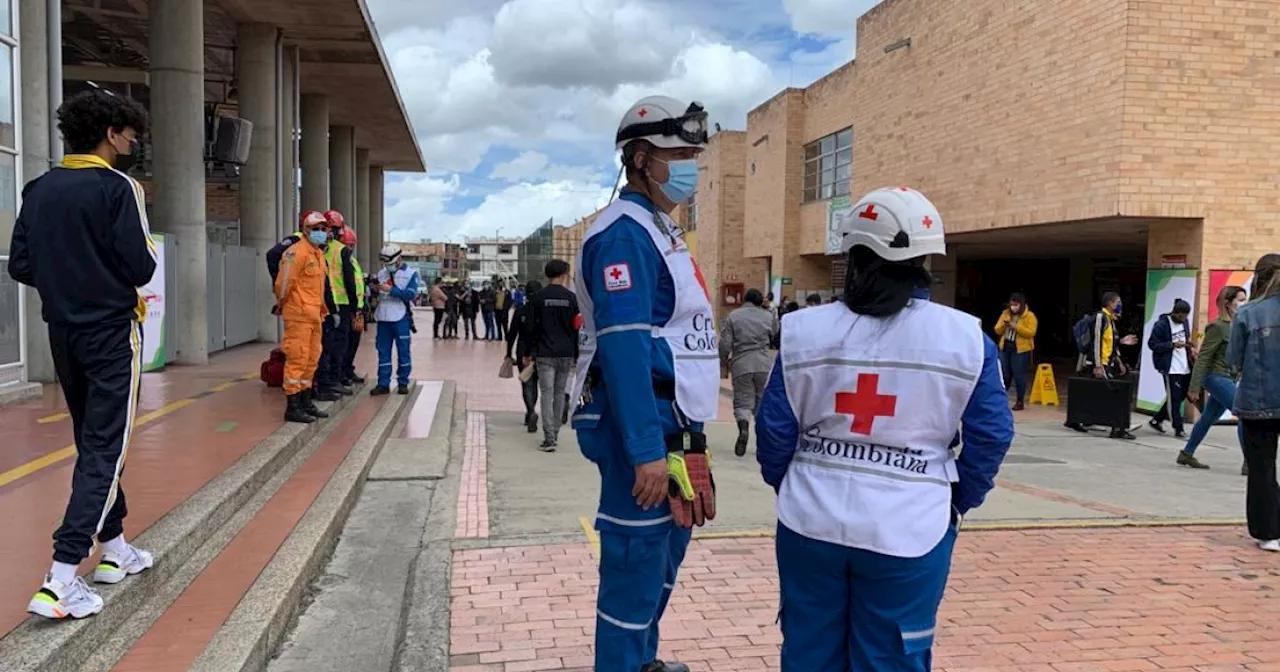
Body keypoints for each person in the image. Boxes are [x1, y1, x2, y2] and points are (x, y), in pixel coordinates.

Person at [756, 186, 1014, 671]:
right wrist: (955, 499)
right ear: (926, 261)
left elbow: (774, 433)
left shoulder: (802, 331)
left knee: (809, 652)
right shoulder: (965, 339)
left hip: (809, 523)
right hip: (911, 530)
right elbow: (992, 435)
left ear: (852, 256)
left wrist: (793, 484)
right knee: (892, 658)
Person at [569, 95, 719, 672]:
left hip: (675, 420)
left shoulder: (660, 230)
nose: (689, 166)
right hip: (642, 424)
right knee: (634, 563)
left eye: (693, 154)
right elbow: (625, 348)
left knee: (664, 552)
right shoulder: (624, 235)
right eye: (676, 153)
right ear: (638, 158)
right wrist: (645, 451)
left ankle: (642, 660)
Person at [8, 88, 158, 620]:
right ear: (113, 133)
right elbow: (141, 267)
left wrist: (68, 280)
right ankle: (61, 576)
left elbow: (20, 265)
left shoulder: (38, 187)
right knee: (106, 448)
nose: (132, 144)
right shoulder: (119, 187)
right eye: (131, 135)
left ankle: (114, 549)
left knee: (92, 442)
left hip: (63, 335)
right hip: (112, 333)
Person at [1227, 253, 1280, 552]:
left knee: (1261, 468)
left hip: (1258, 401)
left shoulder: (1248, 313)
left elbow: (1233, 359)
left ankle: (1268, 532)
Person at [1180, 285, 1248, 471]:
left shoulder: (1240, 325)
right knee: (1244, 414)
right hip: (1216, 376)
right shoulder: (1218, 327)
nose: (1244, 303)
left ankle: (1187, 453)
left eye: (1245, 299)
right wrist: (1194, 386)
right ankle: (1249, 462)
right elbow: (1203, 357)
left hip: (1230, 377)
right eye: (1240, 300)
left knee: (1209, 417)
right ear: (1228, 303)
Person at [1065, 292, 1139, 439]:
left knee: (1091, 393)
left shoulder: (1111, 320)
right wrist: (1098, 365)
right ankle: (1116, 427)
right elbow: (1097, 341)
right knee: (1111, 394)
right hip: (1099, 363)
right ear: (1110, 303)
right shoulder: (1101, 317)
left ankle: (1078, 420)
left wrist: (1119, 361)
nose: (1119, 305)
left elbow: (1110, 344)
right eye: (1118, 302)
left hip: (1107, 363)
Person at [526, 259, 581, 451]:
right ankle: (555, 432)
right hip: (566, 353)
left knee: (546, 394)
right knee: (560, 393)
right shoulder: (572, 299)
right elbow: (577, 328)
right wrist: (577, 353)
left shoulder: (538, 298)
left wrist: (528, 352)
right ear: (565, 274)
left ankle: (548, 437)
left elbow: (530, 328)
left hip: (545, 353)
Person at [719, 288, 779, 457]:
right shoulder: (768, 316)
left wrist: (723, 362)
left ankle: (744, 427)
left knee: (743, 402)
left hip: (741, 364)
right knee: (761, 403)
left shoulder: (734, 316)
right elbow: (774, 332)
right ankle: (763, 441)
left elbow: (725, 343)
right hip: (763, 364)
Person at [314, 210, 358, 400]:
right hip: (333, 304)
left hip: (326, 303)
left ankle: (328, 381)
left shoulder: (319, 248)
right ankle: (330, 381)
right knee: (332, 346)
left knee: (326, 346)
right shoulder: (336, 250)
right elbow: (349, 282)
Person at [372, 244, 420, 395]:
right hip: (383, 317)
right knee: (383, 351)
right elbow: (376, 295)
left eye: (391, 263)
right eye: (386, 264)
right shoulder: (381, 273)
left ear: (399, 259)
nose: (388, 266)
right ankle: (383, 383)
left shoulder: (411, 274)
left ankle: (403, 382)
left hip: (401, 317)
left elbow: (410, 295)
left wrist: (391, 290)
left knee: (403, 351)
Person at [1148, 298, 1195, 438]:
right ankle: (1178, 428)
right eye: (1181, 316)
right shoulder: (1161, 325)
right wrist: (1172, 345)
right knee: (1174, 398)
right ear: (1175, 313)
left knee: (1181, 395)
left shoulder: (1185, 322)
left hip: (1184, 364)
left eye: (1186, 316)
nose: (1183, 319)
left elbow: (1185, 338)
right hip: (1170, 366)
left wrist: (1189, 346)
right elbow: (1152, 345)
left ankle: (1157, 419)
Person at [506, 280, 543, 433]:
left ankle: (530, 411)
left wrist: (508, 353)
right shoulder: (543, 311)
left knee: (527, 382)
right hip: (541, 351)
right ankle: (533, 411)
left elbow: (512, 334)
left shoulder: (520, 310)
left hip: (522, 351)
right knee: (539, 383)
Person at [994, 292, 1038, 411]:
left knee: (1019, 376)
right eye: (1012, 304)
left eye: (1016, 304)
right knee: (1004, 374)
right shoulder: (1005, 313)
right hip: (1006, 346)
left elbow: (1031, 332)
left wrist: (1016, 327)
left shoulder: (1029, 316)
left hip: (1021, 350)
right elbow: (997, 330)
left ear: (1021, 305)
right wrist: (1005, 325)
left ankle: (1020, 401)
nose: (1013, 307)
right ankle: (1001, 399)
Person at [336, 225, 366, 388]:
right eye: (348, 245)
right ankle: (341, 372)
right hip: (344, 306)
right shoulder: (339, 257)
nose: (350, 248)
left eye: (352, 246)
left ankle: (348, 369)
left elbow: (357, 283)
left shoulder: (351, 259)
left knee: (353, 342)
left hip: (356, 306)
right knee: (344, 343)